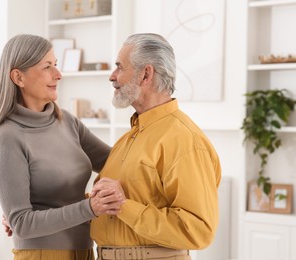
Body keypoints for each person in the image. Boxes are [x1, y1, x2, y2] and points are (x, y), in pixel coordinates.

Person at [0, 34, 124, 260]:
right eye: (47, 67)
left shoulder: (68, 122)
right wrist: (90, 208)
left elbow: (119, 163)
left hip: (85, 250)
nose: (58, 75)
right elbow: (22, 224)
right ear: (18, 77)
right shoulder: (8, 137)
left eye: (57, 65)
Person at [89, 33, 222, 260]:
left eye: (120, 67)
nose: (112, 76)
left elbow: (198, 231)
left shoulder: (184, 140)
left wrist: (123, 206)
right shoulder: (129, 138)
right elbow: (109, 203)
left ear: (146, 74)